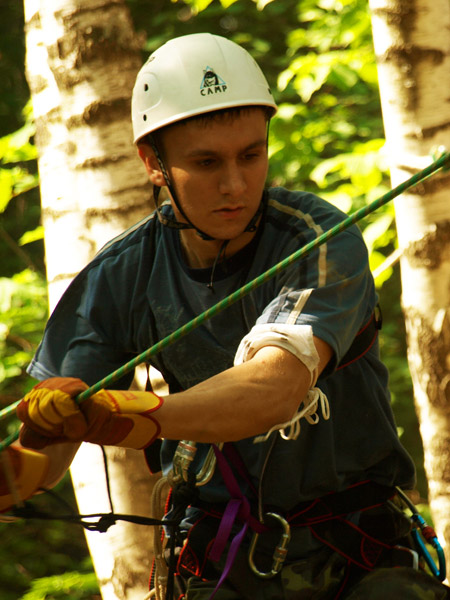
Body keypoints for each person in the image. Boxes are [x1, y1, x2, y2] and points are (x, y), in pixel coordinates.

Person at [3, 33, 449, 599]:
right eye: (206, 162)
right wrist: (47, 433)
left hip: (355, 555)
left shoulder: (317, 239)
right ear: (152, 163)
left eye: (251, 155)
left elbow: (275, 388)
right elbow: (40, 464)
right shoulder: (121, 276)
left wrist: (134, 413)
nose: (235, 185)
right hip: (220, 563)